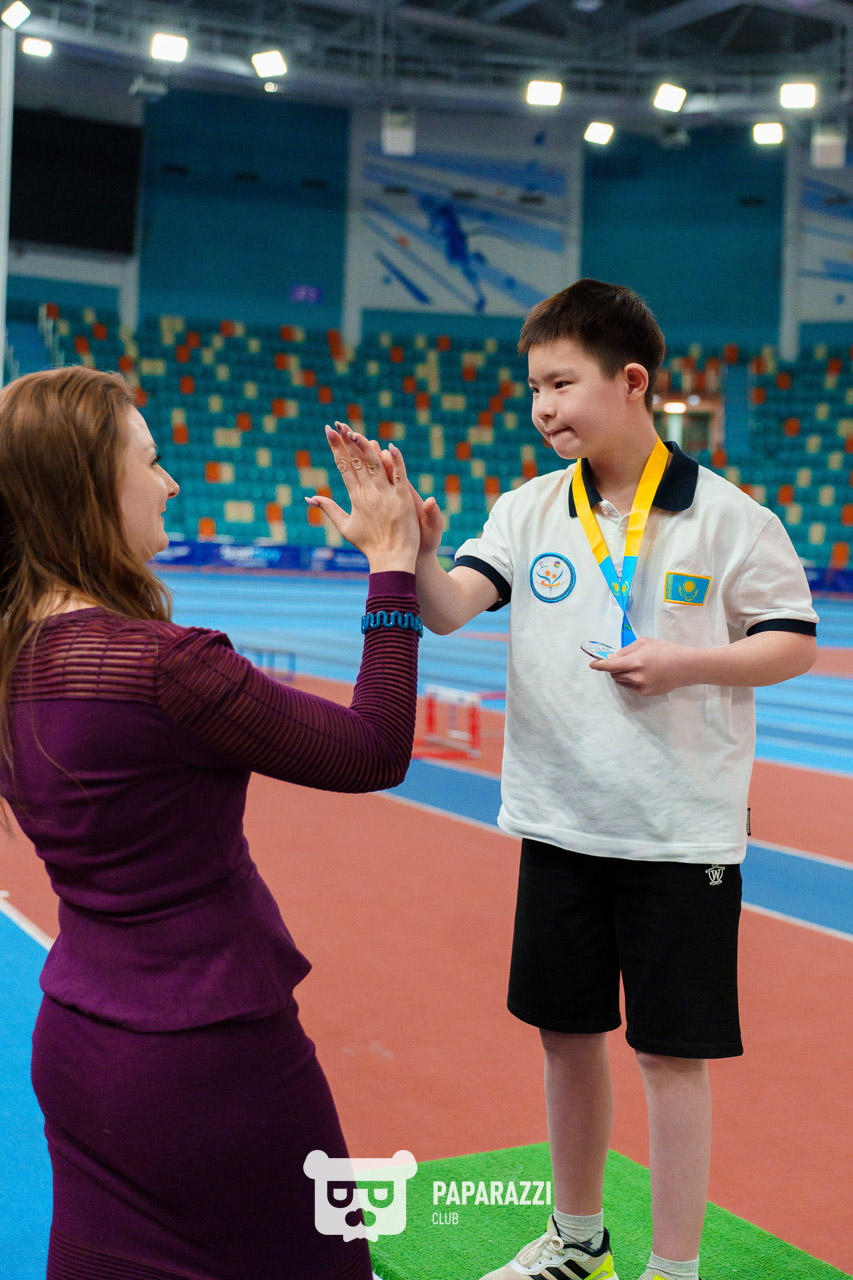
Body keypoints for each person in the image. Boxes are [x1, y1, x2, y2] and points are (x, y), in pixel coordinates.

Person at [400, 279, 818, 1280]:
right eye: (532, 387)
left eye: (560, 382)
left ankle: (673, 1265)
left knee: (671, 1056)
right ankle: (577, 1237)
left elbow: (793, 642)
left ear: (630, 381)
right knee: (565, 1037)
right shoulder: (527, 506)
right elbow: (450, 608)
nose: (541, 406)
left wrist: (686, 661)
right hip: (558, 822)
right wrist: (406, 550)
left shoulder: (727, 517)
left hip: (676, 835)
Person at [0, 366, 422, 1280]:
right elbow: (373, 748)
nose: (171, 482)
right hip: (212, 1062)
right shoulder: (167, 667)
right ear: (88, 489)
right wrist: (391, 563)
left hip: (77, 1047)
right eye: (149, 462)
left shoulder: (12, 657)